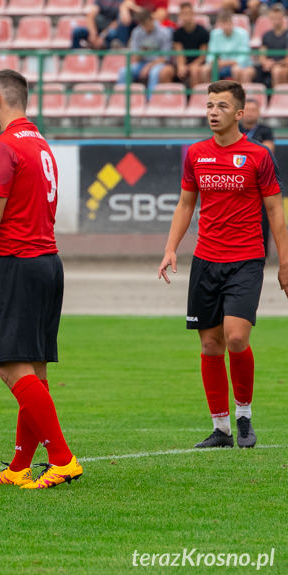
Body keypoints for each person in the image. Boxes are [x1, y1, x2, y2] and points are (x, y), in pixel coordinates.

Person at [0, 69, 82, 489]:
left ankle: (62, 459)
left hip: (19, 263)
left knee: (12, 368)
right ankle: (20, 465)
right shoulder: (40, 143)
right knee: (34, 371)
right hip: (48, 262)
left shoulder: (3, 146)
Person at [158, 80, 288, 450]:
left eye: (222, 106)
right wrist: (171, 249)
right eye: (209, 105)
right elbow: (185, 205)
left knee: (235, 337)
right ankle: (221, 429)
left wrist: (284, 262)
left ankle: (244, 418)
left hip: (246, 260)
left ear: (240, 113)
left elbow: (276, 210)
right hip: (205, 261)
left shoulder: (258, 156)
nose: (213, 111)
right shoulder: (196, 153)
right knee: (210, 345)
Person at [240, 98, 277, 258]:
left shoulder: (265, 130)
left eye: (253, 110)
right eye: (247, 110)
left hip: (261, 181)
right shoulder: (234, 128)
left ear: (258, 112)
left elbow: (268, 152)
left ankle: (262, 254)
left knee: (263, 217)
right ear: (240, 112)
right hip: (240, 181)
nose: (250, 113)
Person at [117, 10, 175, 98]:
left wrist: (149, 66)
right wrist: (141, 53)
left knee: (154, 73)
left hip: (159, 63)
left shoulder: (164, 32)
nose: (145, 27)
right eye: (142, 24)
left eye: (146, 23)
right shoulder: (137, 32)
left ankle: (150, 101)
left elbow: (165, 57)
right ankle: (121, 99)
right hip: (142, 63)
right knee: (124, 71)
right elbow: (136, 57)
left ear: (151, 20)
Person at [197, 10, 252, 84]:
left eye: (228, 23)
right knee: (204, 70)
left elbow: (243, 57)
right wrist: (215, 62)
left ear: (232, 23)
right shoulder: (215, 34)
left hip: (238, 65)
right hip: (220, 64)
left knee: (236, 70)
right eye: (223, 23)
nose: (226, 26)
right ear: (219, 24)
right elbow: (211, 55)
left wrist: (224, 63)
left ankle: (236, 94)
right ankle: (211, 93)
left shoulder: (243, 34)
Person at [248, 4, 288, 88]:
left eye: (278, 18)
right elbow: (262, 55)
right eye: (273, 18)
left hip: (282, 66)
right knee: (249, 71)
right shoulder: (266, 35)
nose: (276, 20)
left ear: (282, 17)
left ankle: (277, 98)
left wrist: (276, 63)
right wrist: (265, 62)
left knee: (277, 71)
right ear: (270, 18)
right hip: (268, 66)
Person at [172, 2, 209, 87]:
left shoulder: (202, 31)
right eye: (183, 13)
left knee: (194, 71)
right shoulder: (178, 33)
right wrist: (181, 66)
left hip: (198, 63)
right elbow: (179, 53)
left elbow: (202, 56)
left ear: (193, 14)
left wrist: (191, 66)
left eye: (188, 13)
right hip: (185, 64)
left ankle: (194, 98)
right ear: (180, 15)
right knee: (167, 71)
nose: (186, 16)